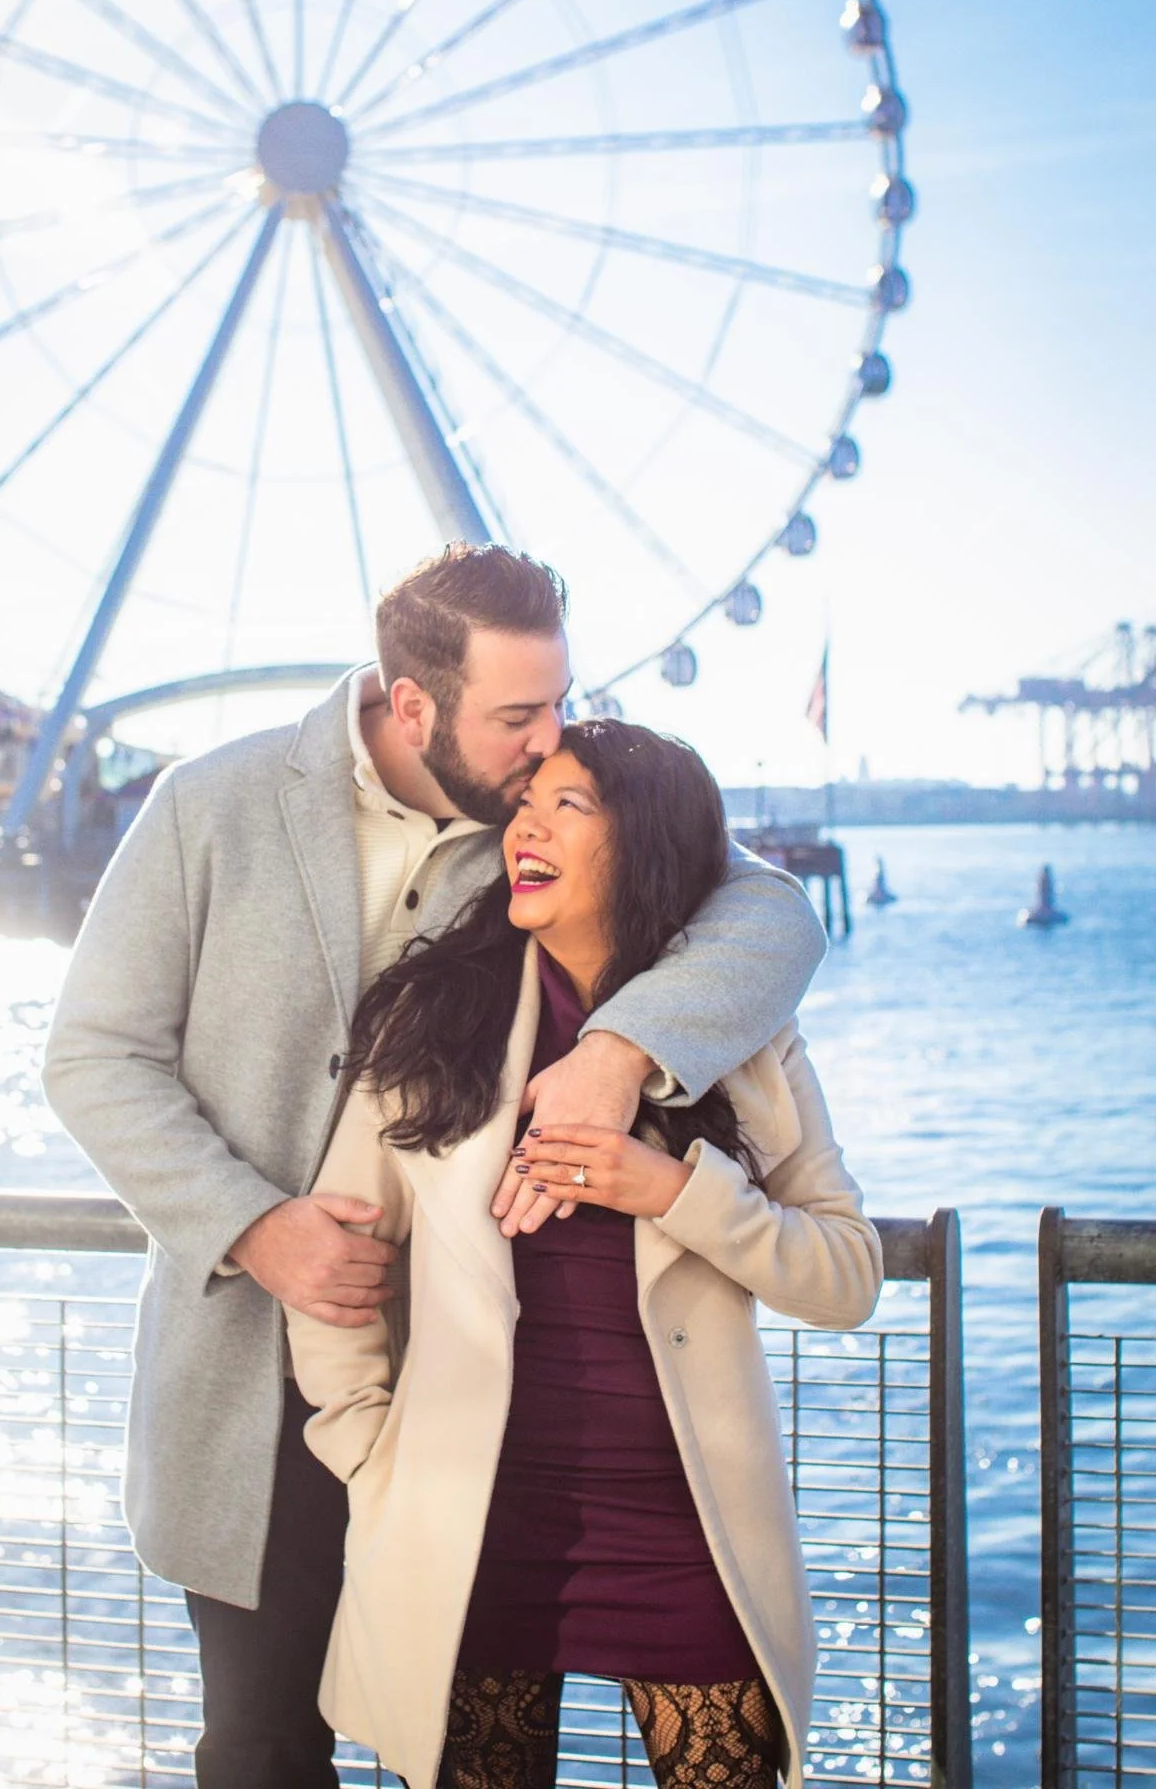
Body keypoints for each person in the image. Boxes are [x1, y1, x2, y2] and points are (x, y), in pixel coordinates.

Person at [42, 545, 828, 1789]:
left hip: (480, 1399)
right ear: (413, 704)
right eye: (517, 715)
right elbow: (93, 1059)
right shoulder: (209, 805)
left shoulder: (541, 823)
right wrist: (254, 1226)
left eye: (559, 703)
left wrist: (623, 1050)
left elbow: (774, 915)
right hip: (260, 1381)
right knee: (259, 1748)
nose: (547, 742)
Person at [288, 720, 881, 1789]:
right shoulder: (430, 1025)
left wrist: (677, 1192)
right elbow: (338, 1256)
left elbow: (846, 1275)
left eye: (571, 805)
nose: (527, 824)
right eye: (525, 804)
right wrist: (365, 1453)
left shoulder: (745, 1041)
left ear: (647, 845)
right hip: (470, 1524)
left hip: (690, 1534)